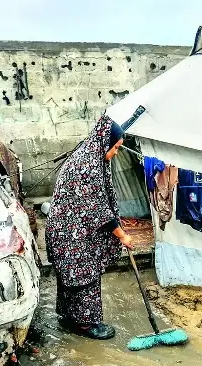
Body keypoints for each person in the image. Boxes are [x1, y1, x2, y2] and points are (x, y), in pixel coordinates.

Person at [45, 115, 133, 340]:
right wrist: (122, 235)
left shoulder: (92, 155)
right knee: (84, 276)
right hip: (70, 233)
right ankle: (86, 324)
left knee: (73, 277)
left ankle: (70, 317)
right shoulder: (87, 165)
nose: (116, 153)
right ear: (105, 142)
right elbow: (98, 209)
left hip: (71, 228)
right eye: (116, 147)